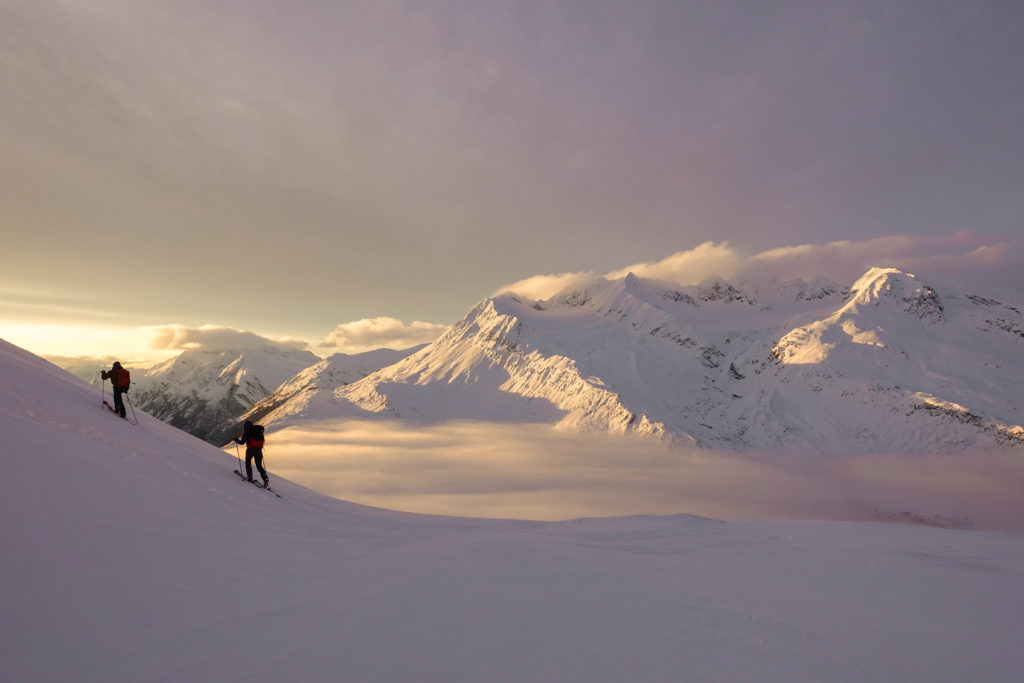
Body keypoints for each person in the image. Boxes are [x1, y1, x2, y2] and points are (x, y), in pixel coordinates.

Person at [235, 420, 269, 488]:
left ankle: (249, 477)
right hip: (258, 450)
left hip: (250, 450)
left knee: (248, 463)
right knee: (259, 466)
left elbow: (242, 442)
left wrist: (236, 440)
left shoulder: (246, 433)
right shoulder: (257, 432)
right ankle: (265, 479)